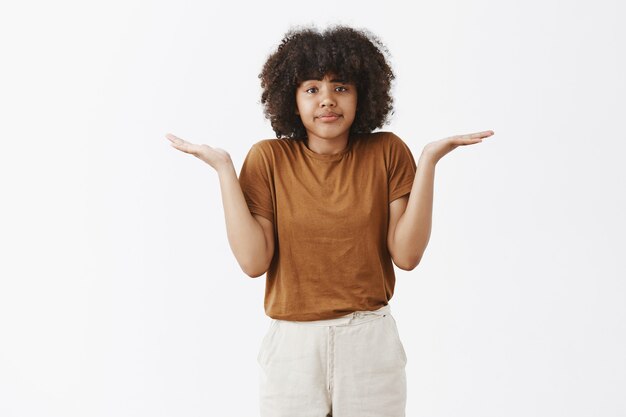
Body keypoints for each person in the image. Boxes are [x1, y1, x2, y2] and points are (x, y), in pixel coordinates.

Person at [165, 25, 494, 417]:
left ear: (362, 95)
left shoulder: (387, 152)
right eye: (311, 89)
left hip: (369, 341)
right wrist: (223, 169)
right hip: (293, 347)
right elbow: (254, 263)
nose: (327, 101)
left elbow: (406, 256)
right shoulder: (268, 159)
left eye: (341, 88)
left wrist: (428, 162)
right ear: (291, 97)